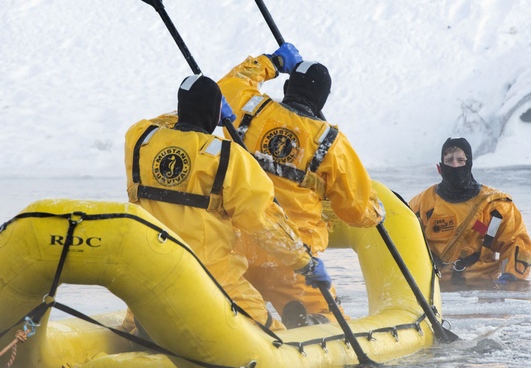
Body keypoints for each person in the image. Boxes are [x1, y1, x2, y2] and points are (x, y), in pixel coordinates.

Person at [123, 74, 329, 332]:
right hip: (213, 276)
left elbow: (158, 122)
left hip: (151, 271)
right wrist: (304, 262)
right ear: (215, 112)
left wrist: (194, 109)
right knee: (272, 336)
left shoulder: (140, 139)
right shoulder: (228, 158)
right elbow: (263, 223)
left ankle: (140, 334)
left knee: (131, 327)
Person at [218, 43, 384, 327]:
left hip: (237, 245)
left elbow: (228, 85)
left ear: (287, 89)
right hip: (292, 255)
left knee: (229, 306)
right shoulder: (331, 143)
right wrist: (376, 210)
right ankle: (313, 322)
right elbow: (356, 211)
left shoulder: (250, 108)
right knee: (335, 323)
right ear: (322, 99)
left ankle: (235, 322)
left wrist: (272, 61)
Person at [409, 137, 531, 283]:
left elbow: (516, 241)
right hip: (434, 286)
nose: (455, 166)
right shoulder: (423, 203)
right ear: (440, 168)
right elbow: (404, 240)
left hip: (481, 284)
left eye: (460, 160)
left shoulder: (495, 206)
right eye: (449, 160)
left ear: (469, 164)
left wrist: (510, 277)